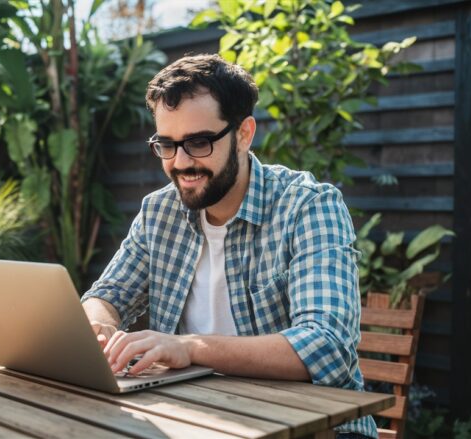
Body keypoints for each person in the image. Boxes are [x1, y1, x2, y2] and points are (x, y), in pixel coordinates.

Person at [81, 53, 377, 438]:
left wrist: (189, 347)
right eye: (166, 145)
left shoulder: (308, 206)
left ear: (243, 134)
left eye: (199, 142)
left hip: (314, 427)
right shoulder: (160, 212)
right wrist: (99, 326)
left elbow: (327, 346)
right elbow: (106, 295)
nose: (180, 162)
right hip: (196, 419)